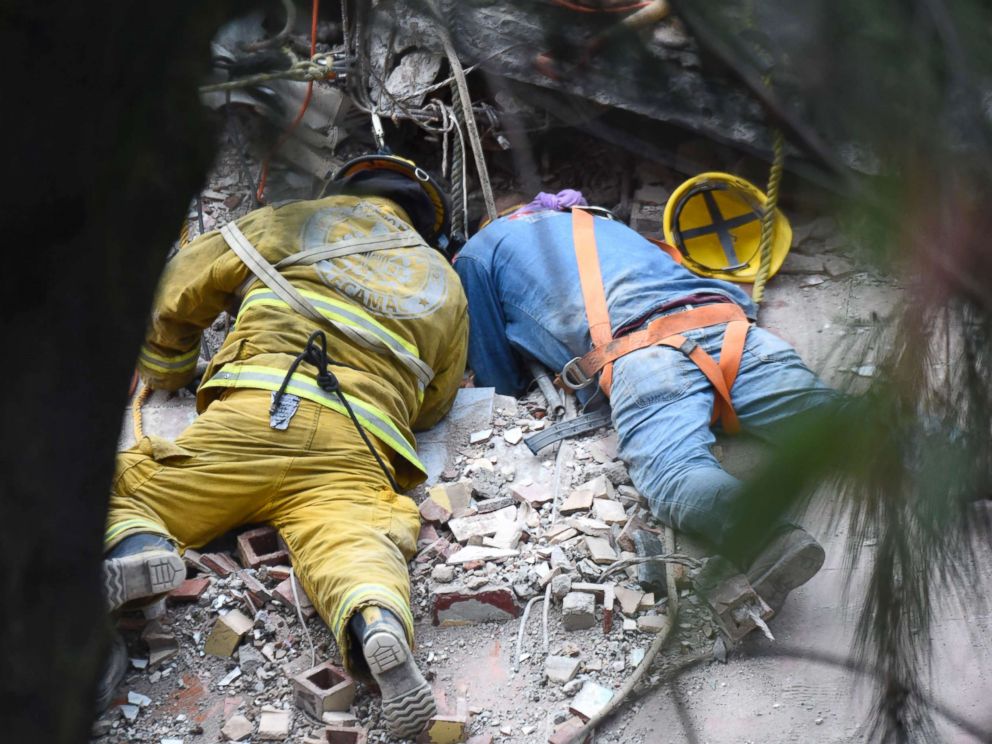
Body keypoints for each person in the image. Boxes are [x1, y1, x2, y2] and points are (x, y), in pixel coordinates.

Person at [100, 155, 467, 739]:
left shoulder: (290, 219)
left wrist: (167, 367)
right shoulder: (445, 282)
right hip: (359, 441)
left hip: (261, 409)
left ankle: (135, 547)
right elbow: (435, 402)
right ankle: (376, 619)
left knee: (114, 486)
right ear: (427, 224)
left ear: (344, 186)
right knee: (353, 540)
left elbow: (174, 288)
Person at [453, 190, 832, 618]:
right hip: (729, 328)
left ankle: (768, 538)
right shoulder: (598, 221)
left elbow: (498, 377)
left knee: (675, 473)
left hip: (645, 353)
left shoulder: (480, 250)